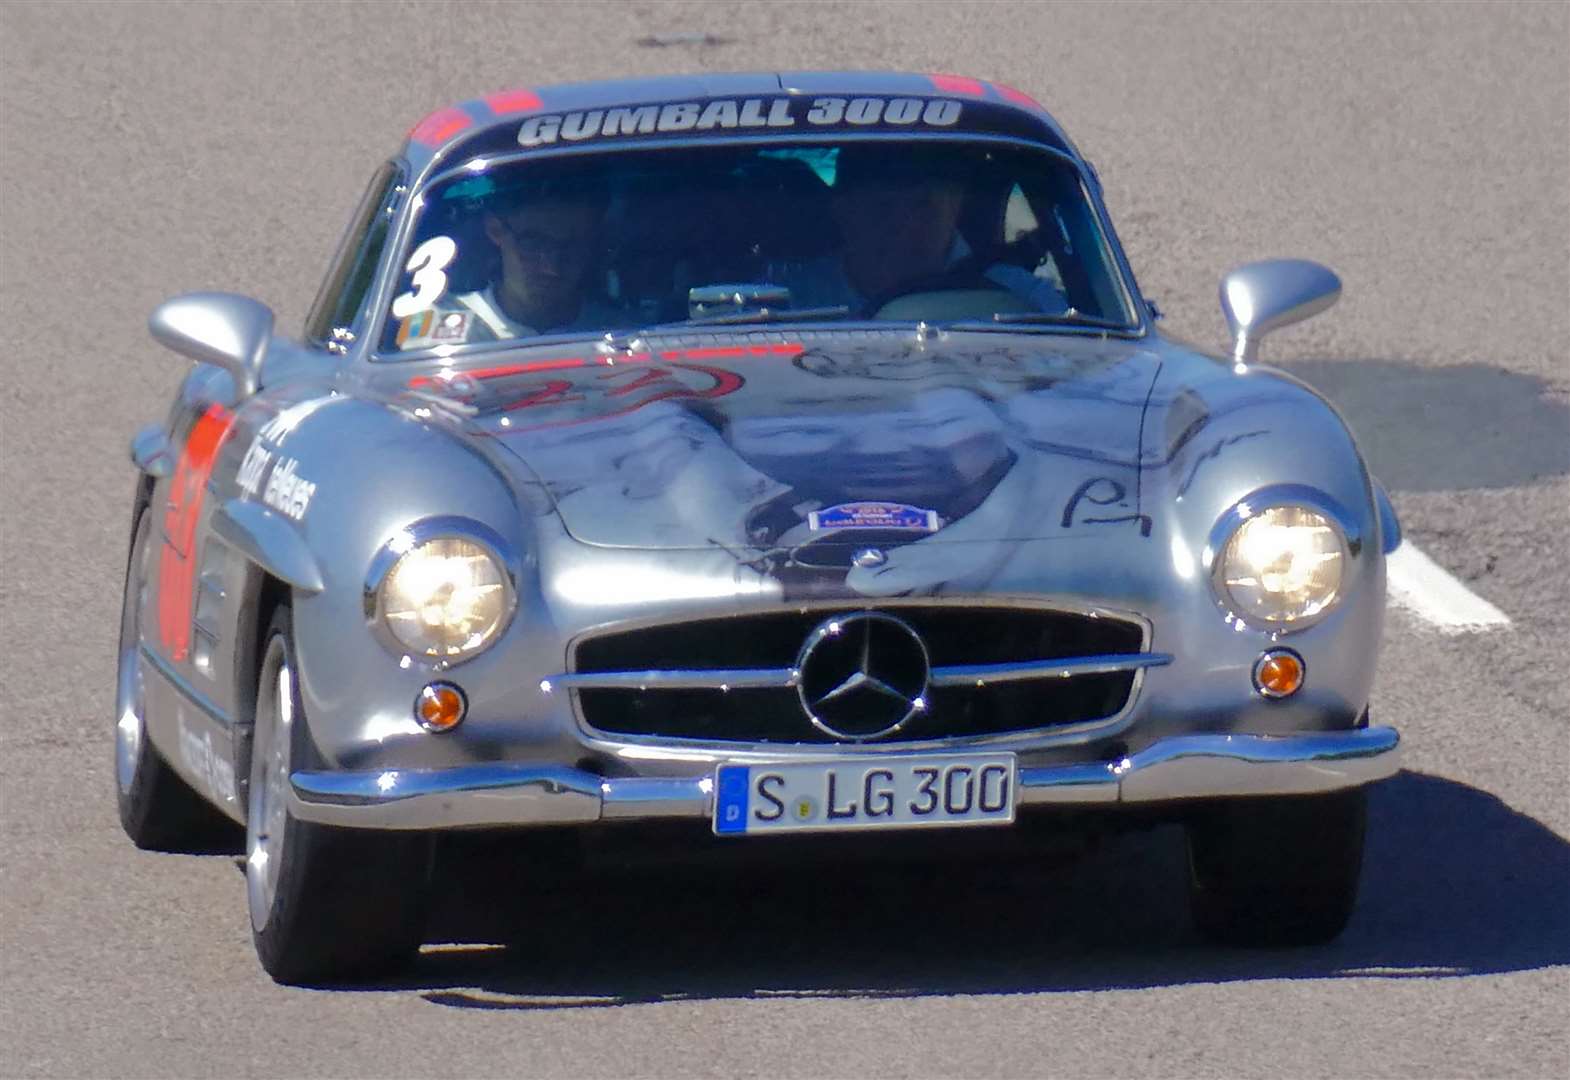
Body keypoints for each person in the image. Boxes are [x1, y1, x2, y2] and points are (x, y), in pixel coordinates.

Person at [786, 144, 1070, 318]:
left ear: (955, 206)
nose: (904, 226)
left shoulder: (1026, 302)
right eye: (883, 208)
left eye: (923, 206)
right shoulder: (788, 303)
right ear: (843, 211)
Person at [395, 181, 620, 349]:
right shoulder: (433, 328)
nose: (552, 266)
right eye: (533, 243)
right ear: (495, 231)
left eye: (572, 246)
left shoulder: (624, 336)